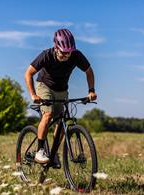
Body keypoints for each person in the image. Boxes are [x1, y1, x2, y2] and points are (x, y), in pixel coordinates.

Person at [24, 29, 97, 168]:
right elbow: (28, 73)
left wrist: (91, 90)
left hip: (62, 89)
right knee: (48, 114)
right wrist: (33, 94)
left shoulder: (76, 55)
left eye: (68, 52)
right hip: (44, 85)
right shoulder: (46, 55)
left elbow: (89, 71)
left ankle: (53, 154)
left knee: (62, 123)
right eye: (63, 52)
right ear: (56, 47)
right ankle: (40, 151)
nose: (66, 55)